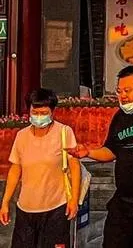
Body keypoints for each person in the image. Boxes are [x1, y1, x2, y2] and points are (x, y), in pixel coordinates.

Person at [70, 65, 133, 248]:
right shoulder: (120, 117)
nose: (123, 96)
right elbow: (111, 150)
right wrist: (88, 152)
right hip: (123, 200)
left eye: (128, 91)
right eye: (119, 91)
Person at [0, 88, 80, 248]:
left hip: (56, 208)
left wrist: (74, 200)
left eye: (43, 113)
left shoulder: (64, 132)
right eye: (35, 112)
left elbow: (74, 166)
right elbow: (15, 169)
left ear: (52, 112)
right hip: (26, 209)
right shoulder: (22, 136)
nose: (39, 116)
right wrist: (5, 202)